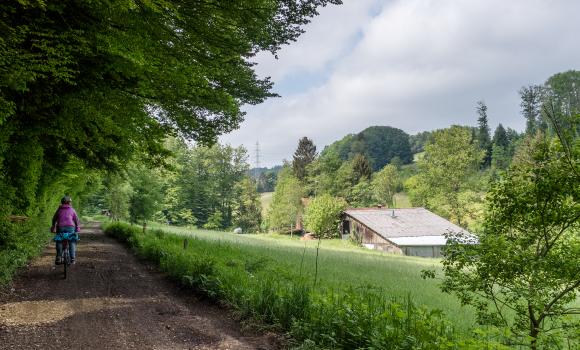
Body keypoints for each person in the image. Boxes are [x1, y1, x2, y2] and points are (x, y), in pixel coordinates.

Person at [50, 195, 80, 265]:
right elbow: (76, 220)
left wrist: (53, 226)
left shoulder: (59, 210)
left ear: (62, 202)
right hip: (70, 227)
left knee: (59, 241)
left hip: (60, 227)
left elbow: (54, 219)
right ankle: (72, 259)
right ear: (69, 203)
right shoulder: (72, 210)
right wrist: (77, 228)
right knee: (72, 241)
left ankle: (58, 257)